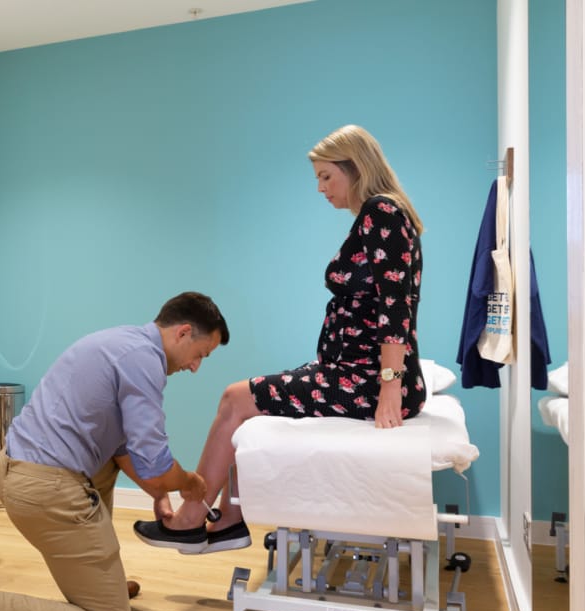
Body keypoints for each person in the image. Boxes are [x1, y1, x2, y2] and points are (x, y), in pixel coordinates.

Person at [134, 124, 427, 553]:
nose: (321, 188)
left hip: (365, 378)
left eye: (326, 176)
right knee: (248, 402)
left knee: (235, 398)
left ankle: (191, 518)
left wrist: (389, 386)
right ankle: (230, 519)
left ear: (355, 167)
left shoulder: (381, 212)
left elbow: (395, 307)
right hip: (350, 372)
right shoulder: (378, 216)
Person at [0, 291, 230, 611]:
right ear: (183, 333)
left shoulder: (123, 342)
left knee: (109, 461)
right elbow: (158, 464)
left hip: (14, 469)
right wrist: (189, 484)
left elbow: (122, 446)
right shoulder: (145, 362)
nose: (196, 366)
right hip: (45, 490)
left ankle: (102, 582)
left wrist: (160, 493)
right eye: (201, 354)